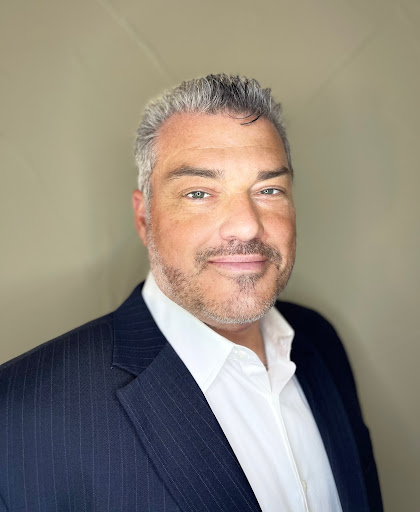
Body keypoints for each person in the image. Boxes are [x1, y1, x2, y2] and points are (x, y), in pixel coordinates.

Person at [0, 74, 383, 512]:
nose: (246, 225)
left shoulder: (320, 341)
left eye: (268, 189)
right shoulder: (20, 416)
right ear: (144, 218)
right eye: (199, 193)